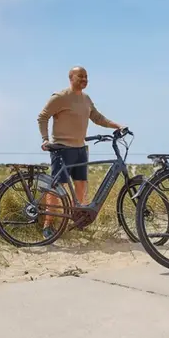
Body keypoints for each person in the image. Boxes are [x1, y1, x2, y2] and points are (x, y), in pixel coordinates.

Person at [37, 66, 124, 238]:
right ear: (71, 78)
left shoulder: (86, 99)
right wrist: (45, 139)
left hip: (80, 148)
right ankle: (48, 224)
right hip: (62, 148)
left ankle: (77, 221)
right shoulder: (60, 97)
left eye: (86, 77)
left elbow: (97, 117)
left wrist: (117, 126)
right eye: (81, 76)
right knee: (57, 187)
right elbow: (43, 116)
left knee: (81, 185)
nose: (84, 79)